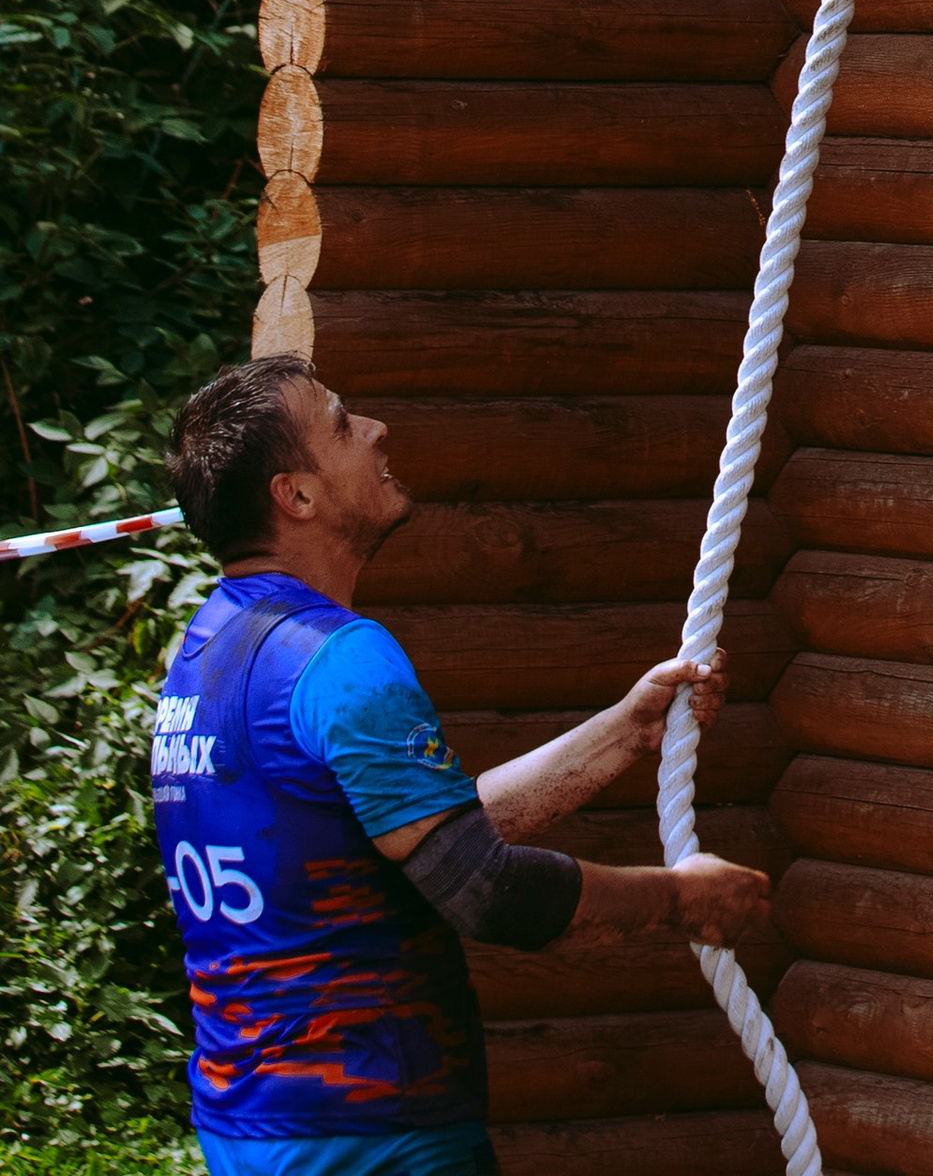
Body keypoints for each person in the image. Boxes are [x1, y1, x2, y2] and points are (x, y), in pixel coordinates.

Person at [155, 358, 765, 1176]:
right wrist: (682, 903)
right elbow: (484, 889)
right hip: (374, 1132)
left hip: (253, 1125)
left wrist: (623, 734)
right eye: (342, 425)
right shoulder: (339, 658)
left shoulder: (206, 651)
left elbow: (407, 839)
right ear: (295, 495)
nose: (376, 431)